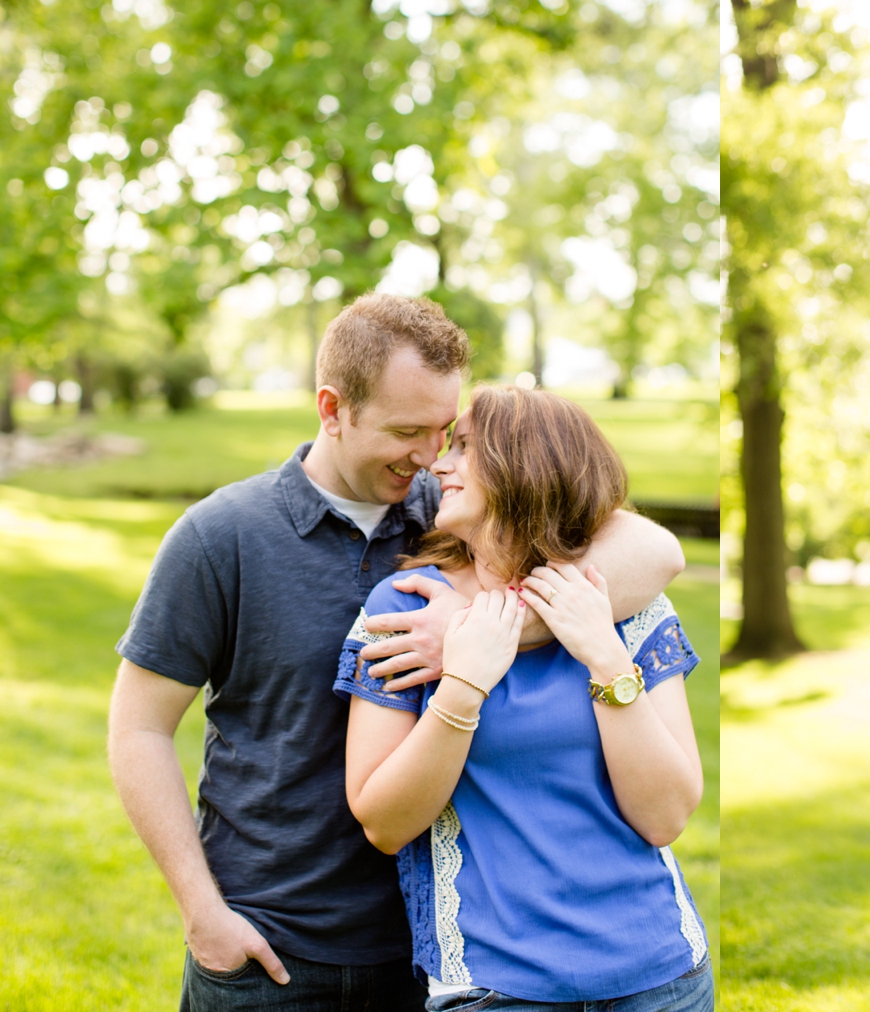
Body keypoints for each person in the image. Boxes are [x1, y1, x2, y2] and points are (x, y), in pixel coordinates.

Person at [108, 295, 686, 1012]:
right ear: (332, 408)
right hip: (271, 940)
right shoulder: (220, 537)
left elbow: (656, 551)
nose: (429, 457)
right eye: (408, 431)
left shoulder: (453, 515)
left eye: (446, 431)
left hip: (433, 943)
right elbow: (138, 729)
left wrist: (487, 627)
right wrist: (203, 913)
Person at [337, 383, 710, 1012]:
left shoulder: (626, 602)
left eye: (464, 448)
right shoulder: (408, 611)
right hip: (496, 988)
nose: (438, 464)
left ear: (524, 466)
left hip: (663, 978)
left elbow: (666, 816)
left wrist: (603, 654)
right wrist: (464, 684)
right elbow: (384, 823)